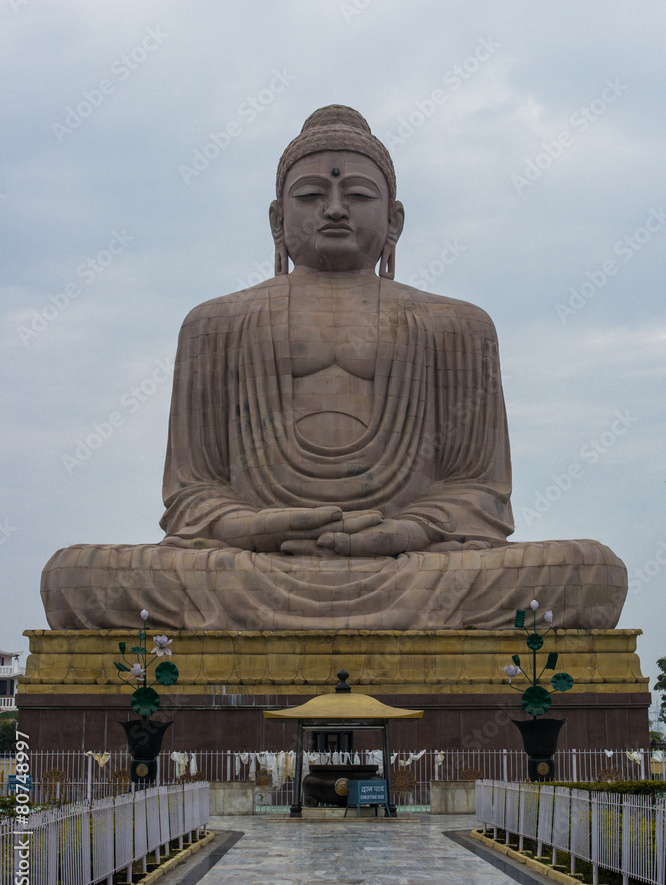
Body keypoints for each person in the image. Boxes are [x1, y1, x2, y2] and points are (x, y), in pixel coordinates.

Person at [42, 106, 627, 632]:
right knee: (72, 576)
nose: (336, 209)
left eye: (359, 196)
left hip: (411, 563)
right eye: (311, 195)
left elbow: (478, 494)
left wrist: (407, 530)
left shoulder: (458, 325)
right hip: (256, 564)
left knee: (592, 571)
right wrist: (250, 528)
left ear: (394, 219)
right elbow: (192, 495)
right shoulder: (214, 324)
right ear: (277, 219)